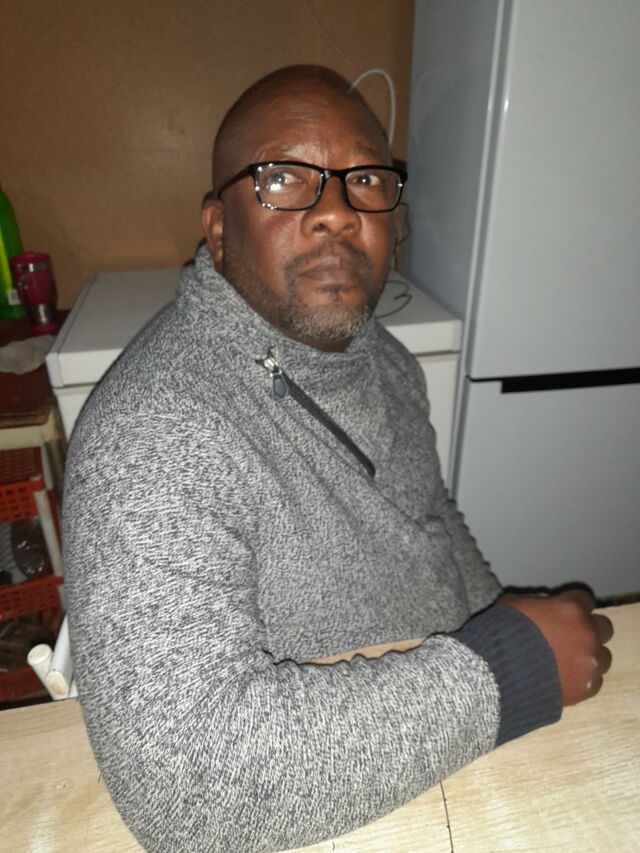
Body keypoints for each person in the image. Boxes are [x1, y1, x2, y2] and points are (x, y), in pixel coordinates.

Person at [63, 66, 613, 853]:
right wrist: (510, 666)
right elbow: (183, 785)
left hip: (443, 754)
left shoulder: (383, 362)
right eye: (283, 178)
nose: (337, 212)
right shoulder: (154, 431)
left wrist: (501, 617)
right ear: (218, 227)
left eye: (366, 180)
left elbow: (431, 522)